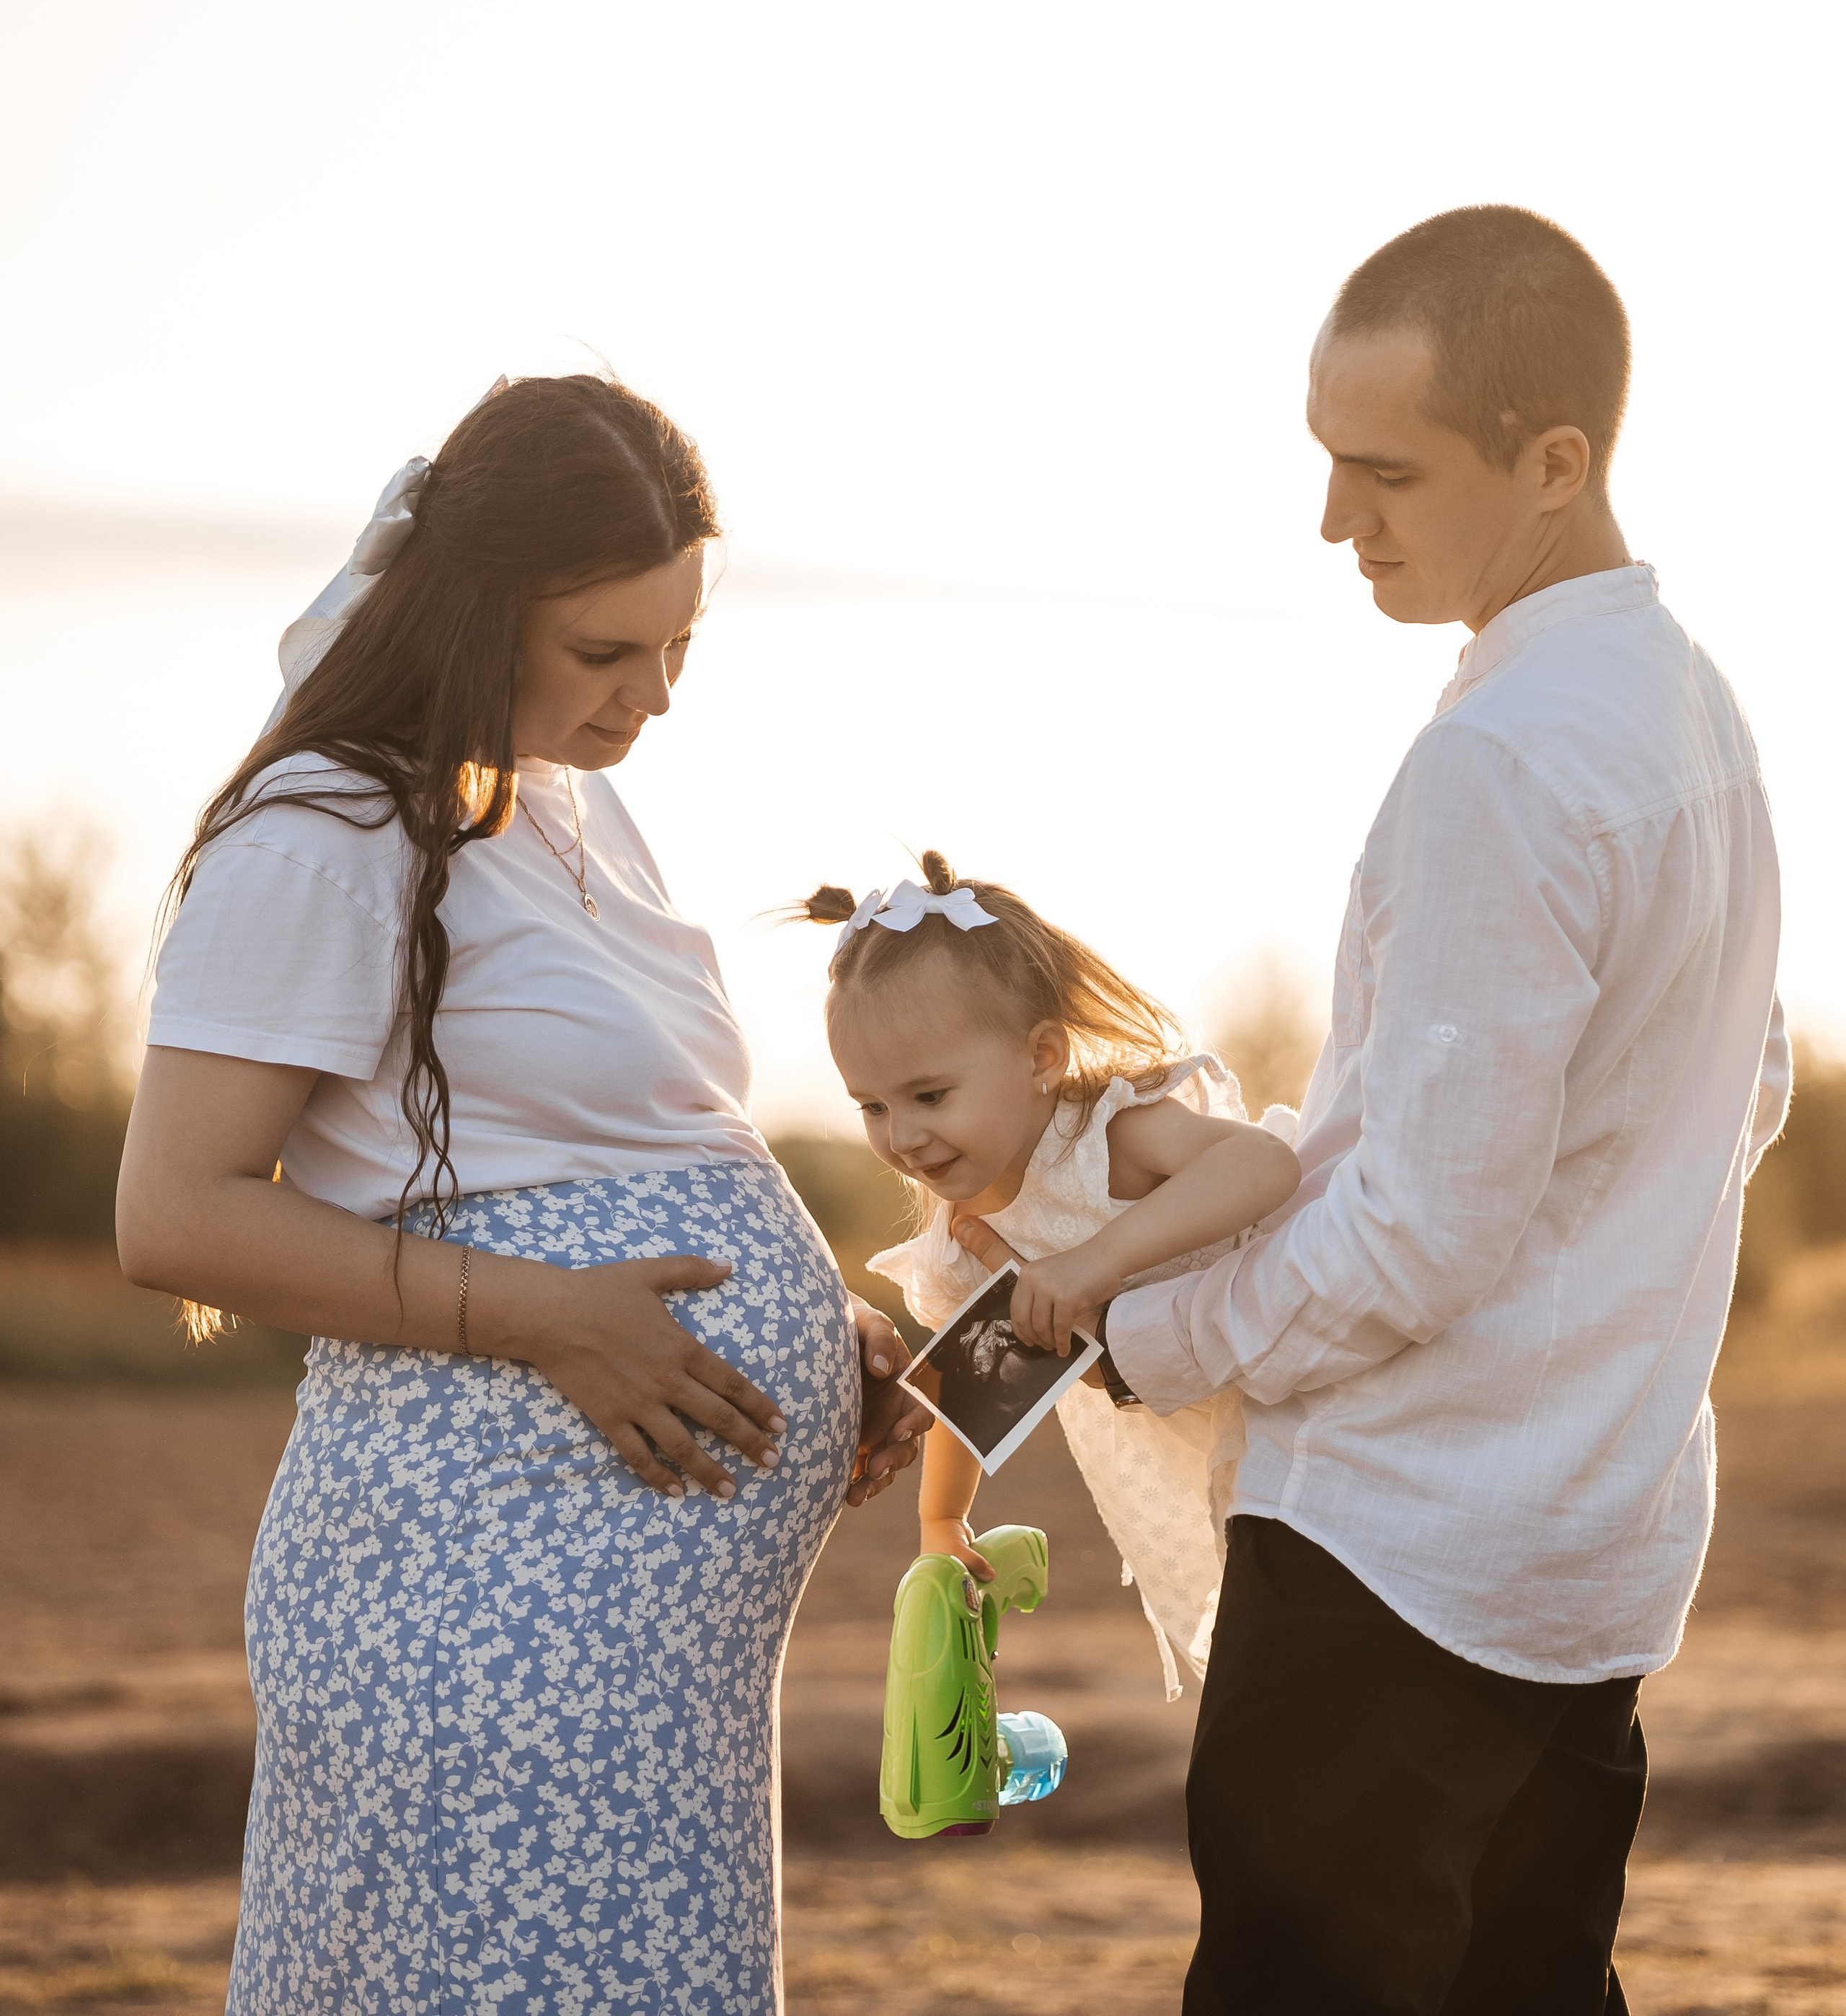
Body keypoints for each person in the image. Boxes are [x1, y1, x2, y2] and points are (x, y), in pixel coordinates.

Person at [115, 373, 926, 2016]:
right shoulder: (325, 819)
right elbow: (177, 1212)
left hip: (628, 1662)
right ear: (479, 610)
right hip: (477, 1613)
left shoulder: (570, 798)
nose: (656, 695)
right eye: (608, 651)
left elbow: (615, 1134)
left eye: (680, 646)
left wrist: (821, 1334)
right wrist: (559, 1314)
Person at [1094, 207, 1788, 2014]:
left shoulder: (1496, 758)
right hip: (1589, 1541)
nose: (1337, 521)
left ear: (1551, 462)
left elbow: (1418, 1231)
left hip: (1397, 1556)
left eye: (1383, 471)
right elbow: (1745, 1078)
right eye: (1325, 462)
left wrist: (1151, 1327)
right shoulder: (1690, 713)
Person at [795, 855, 1300, 1695]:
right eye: (872, 1107)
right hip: (1186, 1421)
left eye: (929, 1095)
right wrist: (942, 1517)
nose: (903, 1137)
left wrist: (1089, 1264)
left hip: (1298, 1376)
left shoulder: (1105, 1137)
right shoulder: (964, 1230)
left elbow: (1263, 1167)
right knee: (1257, 1628)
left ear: (1041, 1056)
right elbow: (974, 1382)